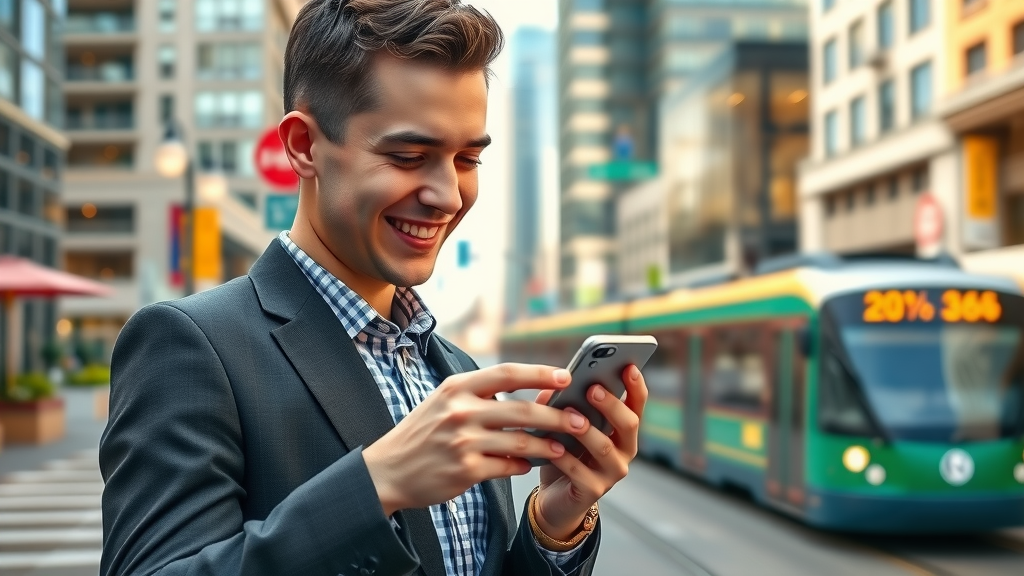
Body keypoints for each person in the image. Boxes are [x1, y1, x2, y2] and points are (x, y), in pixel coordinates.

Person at [99, 1, 648, 575]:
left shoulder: (454, 370)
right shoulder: (189, 346)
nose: (449, 195)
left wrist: (553, 525)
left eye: (467, 158)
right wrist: (375, 484)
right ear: (304, 147)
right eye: (409, 156)